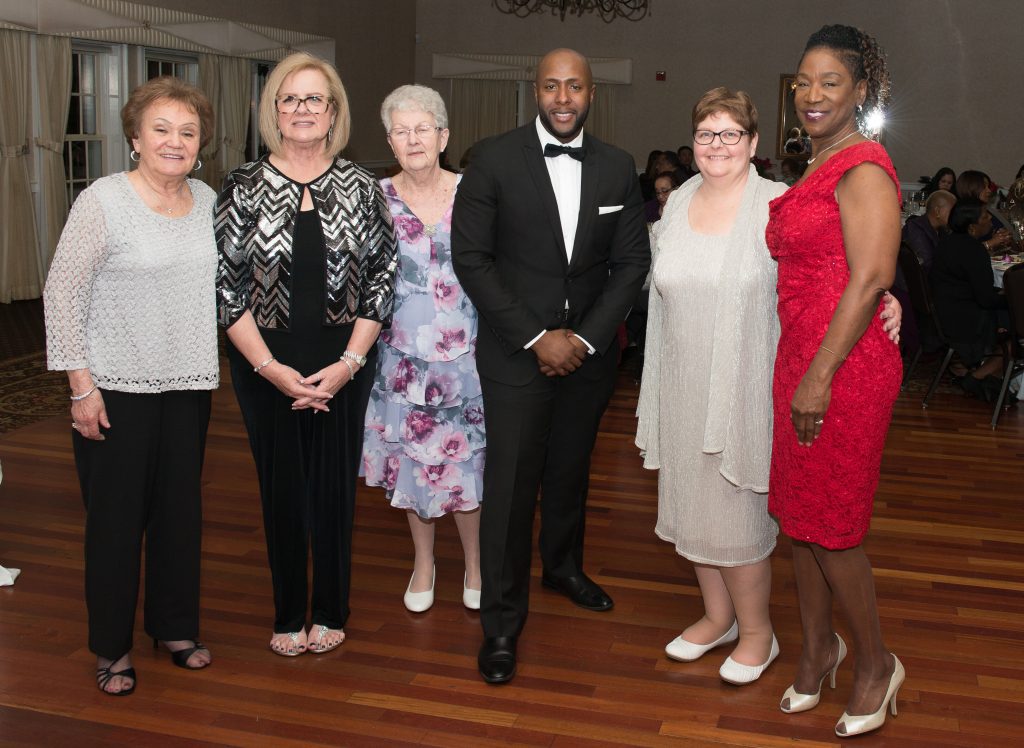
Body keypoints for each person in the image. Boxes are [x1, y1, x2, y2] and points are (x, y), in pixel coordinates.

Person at [636, 88, 902, 689]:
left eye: (731, 134)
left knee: (736, 509)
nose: (718, 145)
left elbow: (840, 266)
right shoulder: (678, 202)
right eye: (706, 134)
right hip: (682, 377)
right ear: (692, 144)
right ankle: (718, 616)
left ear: (753, 143)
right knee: (691, 501)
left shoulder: (777, 203)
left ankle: (758, 631)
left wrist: (887, 299)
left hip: (749, 381)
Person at [452, 48, 650, 685]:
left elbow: (631, 265)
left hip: (588, 358)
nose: (563, 98)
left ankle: (562, 567)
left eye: (575, 87)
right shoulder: (492, 159)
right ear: (534, 90)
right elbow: (471, 259)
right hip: (516, 352)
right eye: (551, 86)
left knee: (570, 471)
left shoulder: (618, 167)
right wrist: (538, 338)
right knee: (511, 486)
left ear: (592, 94)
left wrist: (584, 341)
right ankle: (501, 621)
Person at [215, 52, 397, 657]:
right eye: (289, 98)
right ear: (273, 111)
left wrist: (348, 365)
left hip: (345, 359)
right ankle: (289, 611)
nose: (301, 109)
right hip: (263, 362)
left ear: (333, 112)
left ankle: (331, 609)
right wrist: (271, 370)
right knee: (282, 489)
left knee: (334, 489)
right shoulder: (242, 186)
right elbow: (226, 288)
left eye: (314, 98)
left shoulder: (362, 187)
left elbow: (382, 279)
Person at [44, 76, 218, 694]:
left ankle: (174, 625)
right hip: (114, 387)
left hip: (188, 383)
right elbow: (62, 293)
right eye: (161, 129)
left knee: (179, 513)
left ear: (201, 143)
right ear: (136, 138)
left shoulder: (208, 200)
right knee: (115, 523)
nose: (175, 141)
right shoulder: (103, 200)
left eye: (188, 132)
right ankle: (112, 646)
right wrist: (81, 387)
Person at [766, 25, 905, 738]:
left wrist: (818, 378)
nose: (812, 94)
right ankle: (819, 648)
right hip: (802, 359)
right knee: (800, 521)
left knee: (834, 528)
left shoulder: (865, 166)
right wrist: (804, 371)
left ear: (860, 90)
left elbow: (872, 275)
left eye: (830, 82)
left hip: (842, 369)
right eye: (803, 81)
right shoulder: (819, 160)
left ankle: (876, 663)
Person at [362, 84, 483, 613]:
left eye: (423, 128)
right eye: (401, 131)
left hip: (470, 359)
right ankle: (424, 563)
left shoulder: (475, 192)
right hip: (401, 362)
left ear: (443, 136)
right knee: (414, 463)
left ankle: (476, 565)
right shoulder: (373, 198)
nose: (413, 139)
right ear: (390, 141)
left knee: (468, 464)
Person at [929, 197, 1008, 399]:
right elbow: (986, 300)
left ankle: (983, 374)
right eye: (985, 216)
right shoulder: (974, 251)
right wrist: (1008, 298)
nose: (990, 218)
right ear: (972, 228)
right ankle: (976, 377)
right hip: (965, 322)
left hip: (943, 312)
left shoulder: (947, 243)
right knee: (1016, 327)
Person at [902, 189, 956, 272]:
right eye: (952, 212)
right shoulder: (916, 230)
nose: (955, 215)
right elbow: (927, 266)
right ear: (937, 211)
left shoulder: (942, 230)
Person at [956, 170, 1012, 249]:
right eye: (984, 187)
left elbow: (1007, 234)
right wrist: (990, 243)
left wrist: (1005, 237)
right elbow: (962, 250)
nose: (989, 191)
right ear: (970, 188)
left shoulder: (990, 211)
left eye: (988, 187)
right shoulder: (960, 216)